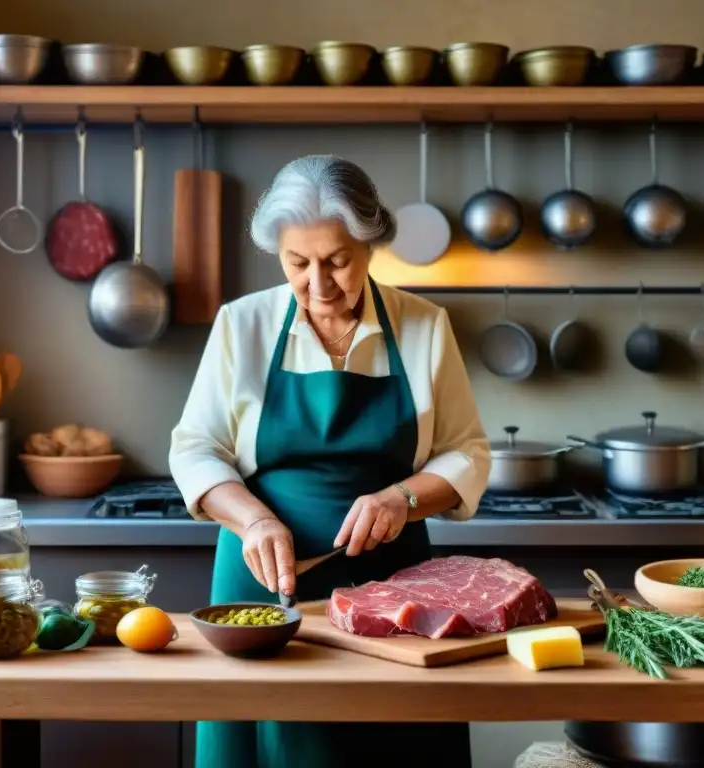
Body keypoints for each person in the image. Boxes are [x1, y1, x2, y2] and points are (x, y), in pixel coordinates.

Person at [169, 154, 491, 768]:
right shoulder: (243, 324)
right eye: (298, 263)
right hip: (262, 584)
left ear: (370, 246)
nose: (319, 284)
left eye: (338, 261)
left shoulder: (424, 325)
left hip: (395, 585)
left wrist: (403, 499)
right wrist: (254, 522)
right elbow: (196, 448)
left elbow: (465, 452)